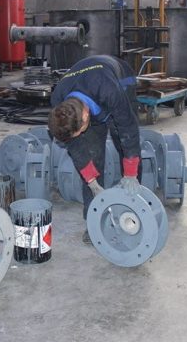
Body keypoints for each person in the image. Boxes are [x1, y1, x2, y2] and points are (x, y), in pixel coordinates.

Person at [48, 55, 141, 244]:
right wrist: (92, 183)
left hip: (120, 80)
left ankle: (135, 211)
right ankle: (94, 221)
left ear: (84, 115)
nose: (80, 135)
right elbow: (77, 148)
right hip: (91, 95)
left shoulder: (109, 91)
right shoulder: (58, 100)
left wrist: (131, 173)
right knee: (92, 152)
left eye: (81, 130)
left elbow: (128, 129)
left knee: (123, 141)